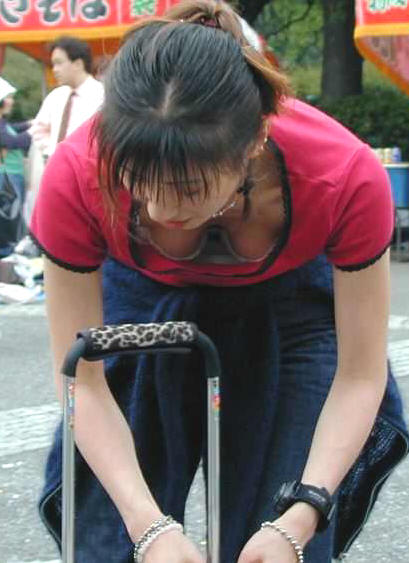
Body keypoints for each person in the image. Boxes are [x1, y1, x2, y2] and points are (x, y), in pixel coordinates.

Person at [30, 1, 408, 562]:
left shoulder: (343, 177)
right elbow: (81, 384)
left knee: (277, 536)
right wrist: (148, 526)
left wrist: (301, 513)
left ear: (255, 141)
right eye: (137, 180)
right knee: (114, 538)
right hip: (139, 294)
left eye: (187, 188)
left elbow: (358, 375)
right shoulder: (77, 173)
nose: (158, 210)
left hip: (290, 308)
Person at [31, 35, 104, 160]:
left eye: (59, 63)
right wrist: (53, 151)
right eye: (53, 64)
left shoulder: (102, 96)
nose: (55, 70)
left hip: (89, 166)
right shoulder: (55, 97)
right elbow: (38, 130)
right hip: (57, 165)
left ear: (78, 64)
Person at [0, 77, 32, 256]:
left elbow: (12, 129)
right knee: (9, 219)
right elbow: (12, 141)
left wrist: (28, 124)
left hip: (11, 175)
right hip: (8, 177)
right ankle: (6, 254)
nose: (11, 101)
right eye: (9, 97)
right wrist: (33, 131)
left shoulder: (3, 123)